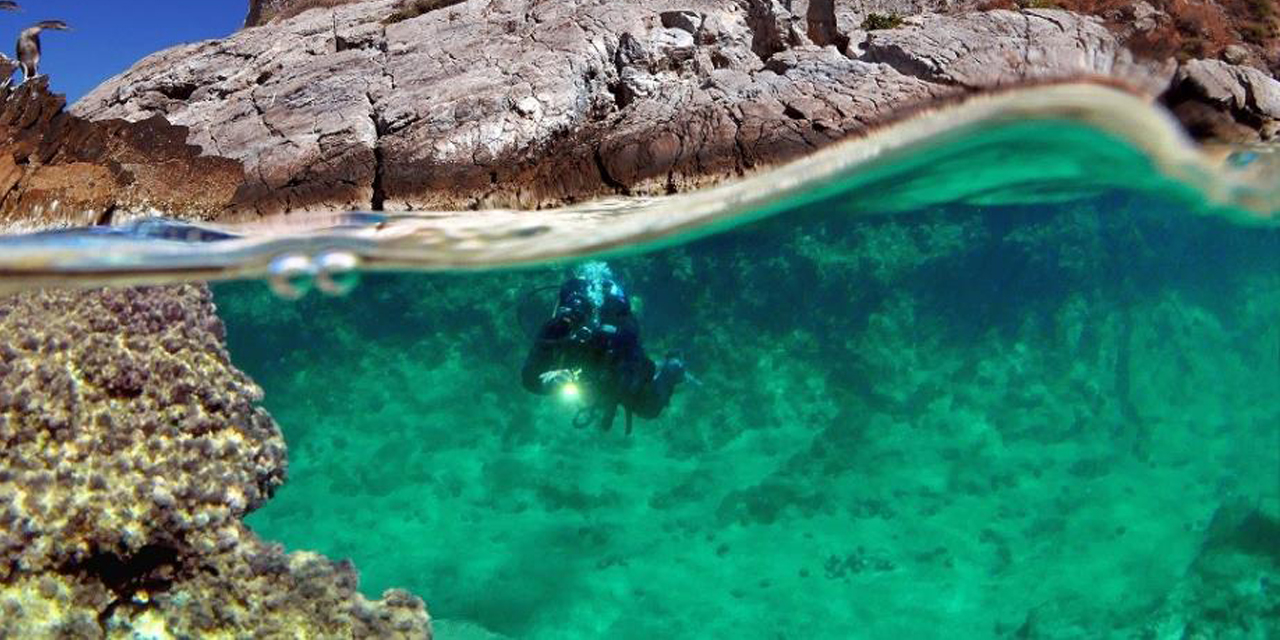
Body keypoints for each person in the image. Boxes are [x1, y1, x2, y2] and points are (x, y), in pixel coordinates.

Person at [521, 262, 684, 434]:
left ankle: (672, 368)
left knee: (648, 408)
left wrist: (621, 384)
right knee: (646, 408)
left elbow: (634, 365)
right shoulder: (557, 328)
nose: (571, 316)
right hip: (594, 377)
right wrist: (547, 382)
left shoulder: (616, 331)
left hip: (617, 372)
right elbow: (528, 378)